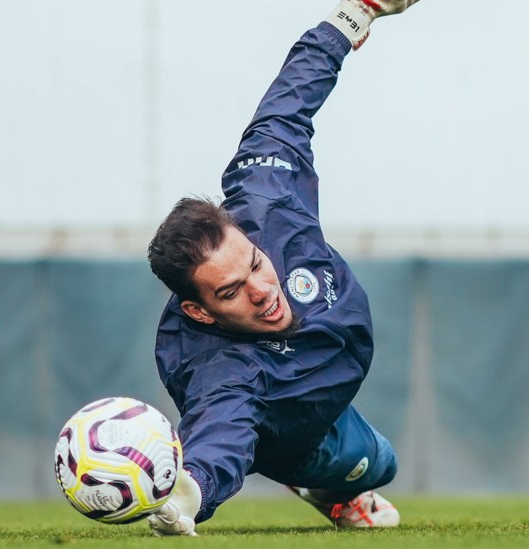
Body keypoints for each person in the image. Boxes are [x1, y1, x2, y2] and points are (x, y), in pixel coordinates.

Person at [145, 0, 423, 536]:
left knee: (384, 462)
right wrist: (183, 496)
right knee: (379, 463)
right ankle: (314, 482)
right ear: (199, 313)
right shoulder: (222, 375)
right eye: (230, 293)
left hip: (328, 370)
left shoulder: (265, 200)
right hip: (294, 427)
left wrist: (356, 15)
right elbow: (218, 436)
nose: (262, 291)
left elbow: (285, 107)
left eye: (253, 264)